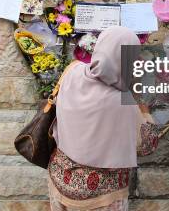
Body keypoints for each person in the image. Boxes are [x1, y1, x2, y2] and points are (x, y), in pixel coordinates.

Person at [48, 26, 159, 211]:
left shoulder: (73, 71)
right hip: (101, 196)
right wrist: (142, 105)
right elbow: (147, 144)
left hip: (59, 179)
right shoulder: (123, 103)